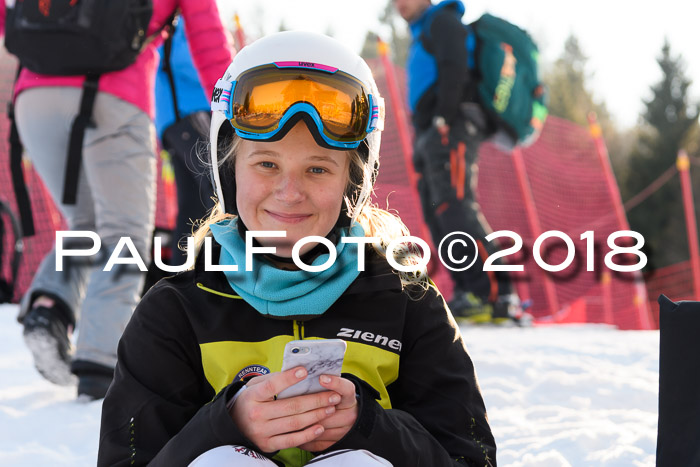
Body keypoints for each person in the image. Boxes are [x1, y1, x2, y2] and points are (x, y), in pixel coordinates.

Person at [98, 31, 496, 466]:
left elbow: (470, 458)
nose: (289, 193)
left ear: (353, 184)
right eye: (267, 164)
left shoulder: (405, 303)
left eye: (318, 169)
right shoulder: (176, 311)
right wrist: (225, 426)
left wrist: (368, 426)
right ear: (229, 171)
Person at [0, 1, 233, 399]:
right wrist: (233, 114)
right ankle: (100, 360)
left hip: (35, 97)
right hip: (116, 96)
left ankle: (50, 305)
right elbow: (208, 41)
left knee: (87, 226)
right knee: (124, 234)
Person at [394, 0, 525, 323]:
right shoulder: (423, 30)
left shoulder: (443, 21)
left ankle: (495, 294)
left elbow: (454, 68)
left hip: (450, 128)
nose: (399, 4)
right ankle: (471, 291)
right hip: (432, 132)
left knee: (455, 207)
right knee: (438, 213)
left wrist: (443, 118)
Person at [155, 17, 217, 268]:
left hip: (172, 121)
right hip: (190, 114)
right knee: (220, 191)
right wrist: (230, 69)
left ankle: (183, 276)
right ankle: (221, 271)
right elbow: (189, 59)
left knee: (192, 205)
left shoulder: (164, 19)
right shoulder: (177, 21)